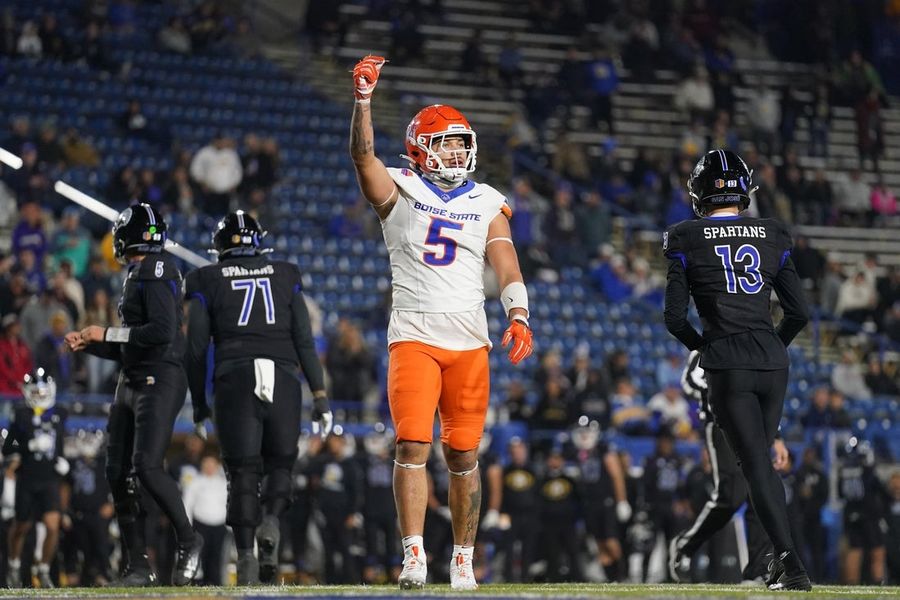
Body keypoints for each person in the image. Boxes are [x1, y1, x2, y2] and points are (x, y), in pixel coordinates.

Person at [349, 55, 534, 590]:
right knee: (412, 445)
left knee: (464, 453)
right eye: (446, 142)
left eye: (461, 142)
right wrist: (363, 100)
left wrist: (518, 312)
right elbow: (363, 156)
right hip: (414, 336)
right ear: (421, 148)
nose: (456, 151)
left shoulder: (486, 201)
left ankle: (462, 558)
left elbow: (505, 260)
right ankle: (413, 555)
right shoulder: (401, 189)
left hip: (470, 342)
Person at [662, 149, 811, 591]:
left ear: (700, 193)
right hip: (772, 362)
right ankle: (778, 563)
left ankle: (789, 563)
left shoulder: (685, 237)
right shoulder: (773, 234)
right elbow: (798, 313)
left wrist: (706, 349)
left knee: (755, 468)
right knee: (762, 467)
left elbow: (673, 319)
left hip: (728, 364)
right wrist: (769, 347)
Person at [184, 210, 332, 584]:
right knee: (281, 463)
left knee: (242, 470)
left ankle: (248, 556)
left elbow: (196, 349)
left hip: (234, 379)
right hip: (282, 378)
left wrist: (200, 404)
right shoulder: (284, 274)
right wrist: (319, 394)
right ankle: (271, 521)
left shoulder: (207, 278)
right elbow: (304, 340)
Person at [65, 204, 202, 586]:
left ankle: (189, 540)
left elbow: (159, 332)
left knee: (146, 466)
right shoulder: (137, 272)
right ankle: (138, 563)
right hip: (134, 376)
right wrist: (89, 343)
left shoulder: (158, 267)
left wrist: (104, 333)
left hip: (160, 376)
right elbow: (133, 342)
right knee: (116, 472)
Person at [670, 350, 790, 584]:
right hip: (720, 423)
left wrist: (776, 436)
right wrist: (722, 388)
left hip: (753, 425)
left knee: (761, 491)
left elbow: (762, 393)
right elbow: (689, 381)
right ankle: (685, 546)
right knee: (730, 495)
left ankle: (757, 569)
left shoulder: (749, 345)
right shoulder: (707, 345)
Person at [3, 369, 69, 588]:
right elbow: (7, 445)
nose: (40, 395)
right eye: (36, 392)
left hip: (49, 478)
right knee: (22, 525)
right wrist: (26, 447)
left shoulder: (59, 412)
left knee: (53, 525)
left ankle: (43, 569)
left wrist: (61, 459)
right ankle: (13, 565)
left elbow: (59, 441)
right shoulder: (20, 414)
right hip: (28, 478)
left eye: (43, 392)